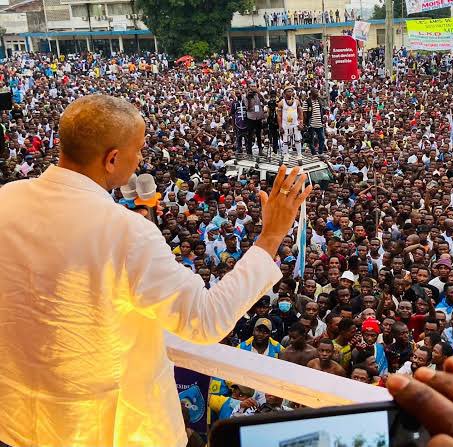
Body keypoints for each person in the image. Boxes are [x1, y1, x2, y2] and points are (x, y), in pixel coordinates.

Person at [0, 95, 311, 447]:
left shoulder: (7, 199)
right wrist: (270, 237)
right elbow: (204, 319)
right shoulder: (125, 233)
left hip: (15, 421)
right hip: (102, 431)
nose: (141, 159)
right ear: (112, 159)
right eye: (138, 149)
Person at [277, 85, 303, 161]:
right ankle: (285, 155)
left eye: (291, 91)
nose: (290, 92)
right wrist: (280, 126)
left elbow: (300, 113)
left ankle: (299, 154)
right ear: (284, 93)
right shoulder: (281, 103)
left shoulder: (297, 102)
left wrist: (301, 123)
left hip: (295, 124)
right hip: (285, 125)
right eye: (288, 91)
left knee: (297, 139)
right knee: (285, 140)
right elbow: (279, 116)